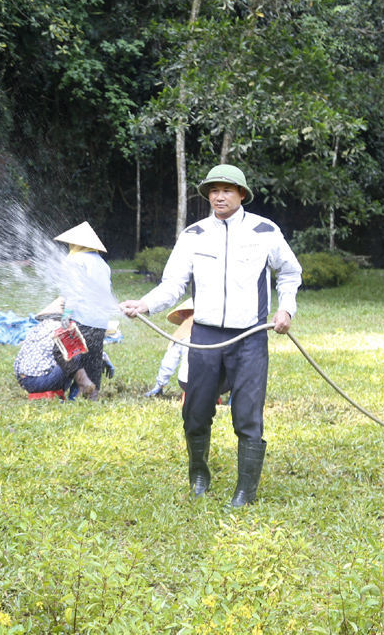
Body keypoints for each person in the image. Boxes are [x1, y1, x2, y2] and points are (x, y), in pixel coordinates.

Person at [120, 164, 302, 506]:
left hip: (250, 337)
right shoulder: (193, 234)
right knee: (196, 412)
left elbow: (290, 274)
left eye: (227, 190)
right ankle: (199, 472)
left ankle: (245, 490)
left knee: (248, 415)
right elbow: (172, 284)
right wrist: (144, 304)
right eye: (214, 191)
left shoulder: (265, 231)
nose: (219, 196)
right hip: (203, 336)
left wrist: (285, 309)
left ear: (242, 195)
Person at [51, 221, 115, 400]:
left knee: (61, 350)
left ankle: (82, 382)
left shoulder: (75, 259)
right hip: (100, 320)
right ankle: (92, 397)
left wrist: (67, 312)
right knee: (92, 360)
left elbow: (75, 287)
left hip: (82, 316)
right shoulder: (103, 264)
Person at [14, 297, 72, 395]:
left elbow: (17, 362)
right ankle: (75, 395)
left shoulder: (35, 328)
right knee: (78, 355)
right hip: (42, 383)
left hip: (25, 382)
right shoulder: (62, 330)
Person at [145, 299, 194, 396]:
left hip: (187, 383)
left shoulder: (181, 335)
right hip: (222, 385)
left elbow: (169, 362)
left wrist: (159, 385)